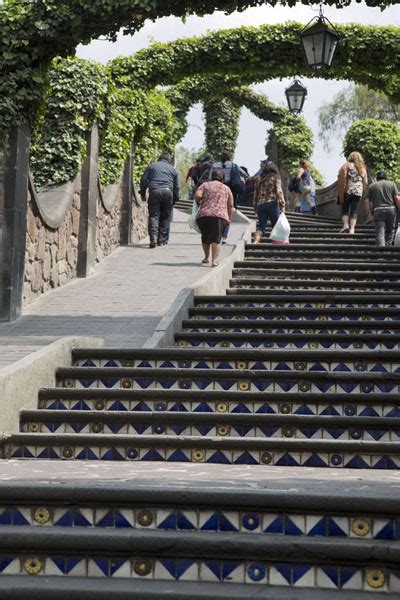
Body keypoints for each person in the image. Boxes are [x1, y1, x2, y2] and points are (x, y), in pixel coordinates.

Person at [140, 152, 179, 248]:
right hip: (168, 192)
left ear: (159, 158)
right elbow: (176, 187)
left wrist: (143, 192)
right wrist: (175, 199)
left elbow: (144, 180)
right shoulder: (172, 169)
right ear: (169, 160)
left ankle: (153, 238)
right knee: (165, 217)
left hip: (155, 192)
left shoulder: (151, 166)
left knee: (154, 216)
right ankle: (161, 240)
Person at [195, 170, 233, 267]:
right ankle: (214, 260)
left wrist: (199, 201)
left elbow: (198, 195)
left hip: (204, 215)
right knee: (216, 239)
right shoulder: (226, 188)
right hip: (220, 216)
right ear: (223, 179)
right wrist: (229, 218)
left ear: (212, 177)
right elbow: (230, 205)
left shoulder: (205, 185)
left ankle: (206, 257)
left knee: (205, 237)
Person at [212, 151, 243, 242]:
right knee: (228, 213)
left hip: (217, 189)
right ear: (230, 157)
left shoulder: (215, 166)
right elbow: (245, 175)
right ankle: (224, 236)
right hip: (230, 190)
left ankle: (216, 233)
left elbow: (210, 177)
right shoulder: (234, 165)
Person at [364, 170, 400, 247]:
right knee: (390, 231)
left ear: (377, 178)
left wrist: (369, 214)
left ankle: (381, 252)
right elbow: (397, 198)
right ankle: (388, 249)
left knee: (380, 232)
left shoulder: (372, 186)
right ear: (386, 177)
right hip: (391, 209)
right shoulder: (392, 184)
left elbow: (366, 200)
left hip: (378, 210)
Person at [253, 160, 285, 244]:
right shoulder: (275, 177)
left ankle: (255, 242)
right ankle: (277, 244)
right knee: (276, 226)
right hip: (272, 204)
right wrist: (282, 205)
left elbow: (255, 193)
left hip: (261, 204)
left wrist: (255, 206)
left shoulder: (259, 178)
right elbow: (279, 191)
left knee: (261, 227)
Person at [337, 151, 368, 234]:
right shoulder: (363, 169)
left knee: (345, 209)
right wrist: (363, 191)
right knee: (354, 211)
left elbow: (341, 177)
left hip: (347, 190)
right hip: (358, 192)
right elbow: (365, 182)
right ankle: (352, 229)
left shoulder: (346, 165)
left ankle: (346, 225)